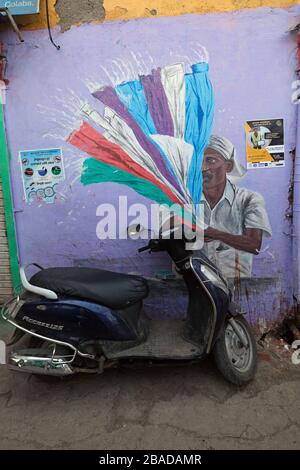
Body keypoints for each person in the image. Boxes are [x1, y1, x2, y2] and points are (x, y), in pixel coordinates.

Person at [200, 135, 272, 279]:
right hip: (197, 284)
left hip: (237, 283)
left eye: (210, 160)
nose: (203, 168)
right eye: (198, 161)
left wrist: (216, 234)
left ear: (228, 166)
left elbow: (254, 245)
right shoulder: (185, 200)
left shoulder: (248, 199)